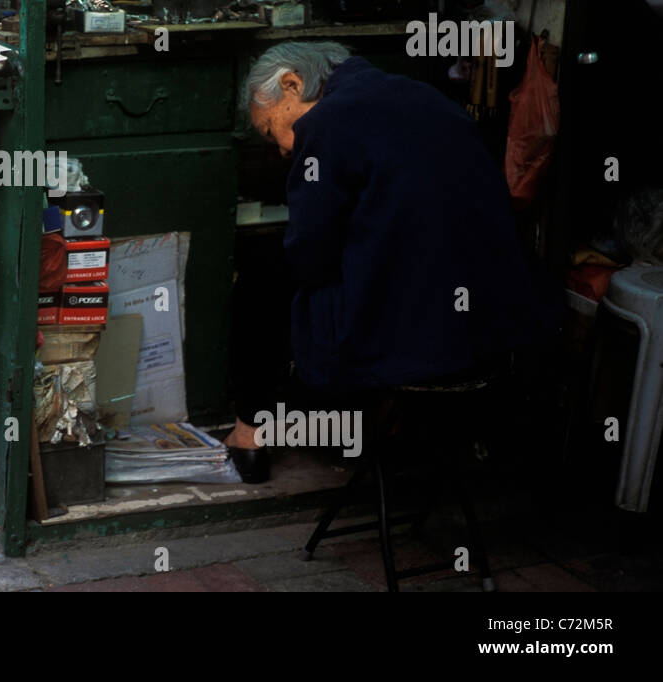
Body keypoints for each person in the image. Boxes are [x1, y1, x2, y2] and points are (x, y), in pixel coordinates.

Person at [226, 41, 553, 481]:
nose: (283, 150)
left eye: (272, 132)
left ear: (292, 84)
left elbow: (309, 253)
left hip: (410, 335)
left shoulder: (325, 123)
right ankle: (366, 422)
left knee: (262, 273)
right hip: (489, 332)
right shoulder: (428, 98)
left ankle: (250, 433)